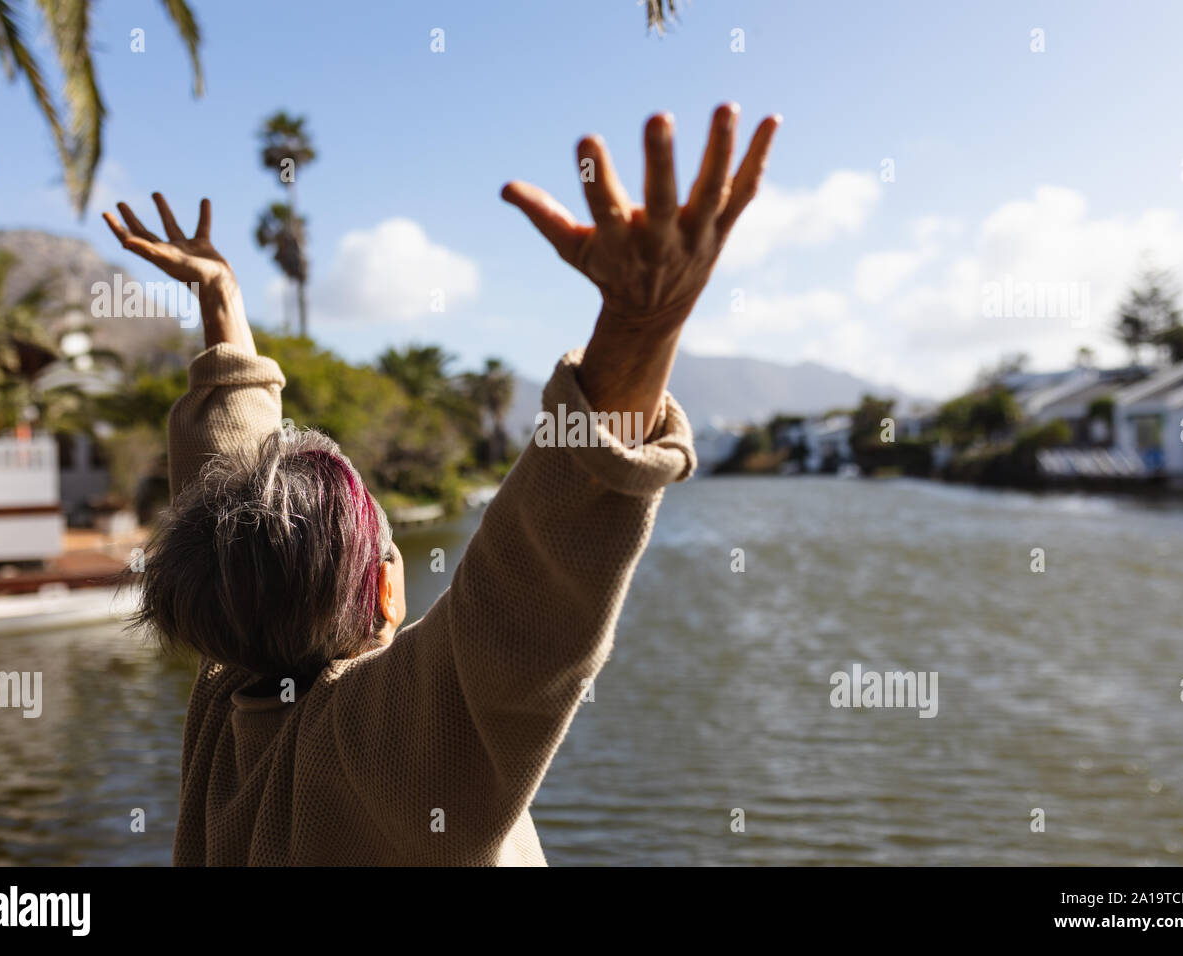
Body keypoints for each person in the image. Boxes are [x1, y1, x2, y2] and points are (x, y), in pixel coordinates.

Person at [103, 104, 780, 865]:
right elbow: (535, 590)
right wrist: (642, 323)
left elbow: (230, 502)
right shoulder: (389, 747)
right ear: (387, 595)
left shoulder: (226, 695)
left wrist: (221, 301)